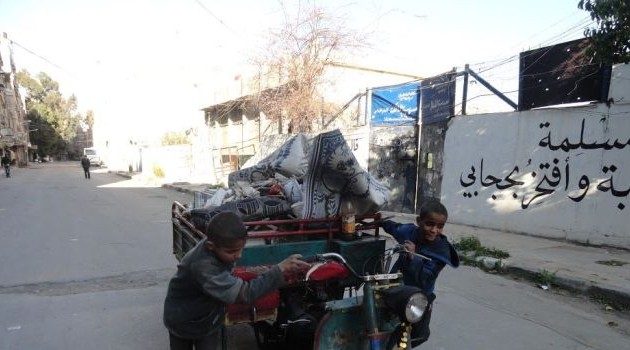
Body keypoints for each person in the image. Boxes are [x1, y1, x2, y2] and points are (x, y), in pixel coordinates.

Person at [163, 211, 310, 350]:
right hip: (181, 318)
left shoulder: (217, 246)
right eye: (232, 251)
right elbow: (245, 294)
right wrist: (279, 270)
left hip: (207, 315)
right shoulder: (203, 266)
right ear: (210, 246)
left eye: (241, 249)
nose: (239, 256)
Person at [380, 199, 460, 347]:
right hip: (396, 285)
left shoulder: (441, 251)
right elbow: (395, 228)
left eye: (440, 226)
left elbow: (425, 277)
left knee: (419, 335)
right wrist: (379, 221)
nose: (434, 230)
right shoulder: (410, 232)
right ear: (419, 221)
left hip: (419, 295)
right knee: (381, 320)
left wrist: (413, 257)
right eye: (429, 224)